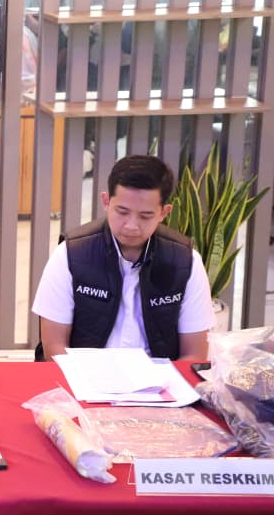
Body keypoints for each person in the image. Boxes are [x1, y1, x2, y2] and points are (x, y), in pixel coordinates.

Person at [33, 154, 214, 361]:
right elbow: (54, 348)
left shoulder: (186, 261)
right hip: (84, 373)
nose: (131, 226)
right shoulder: (70, 254)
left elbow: (194, 355)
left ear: (164, 212)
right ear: (106, 201)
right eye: (122, 212)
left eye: (145, 216)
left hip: (159, 377)